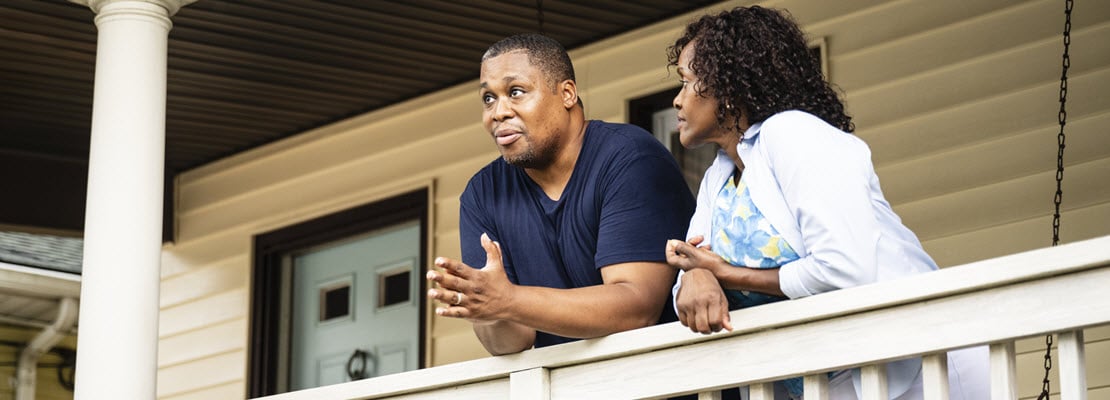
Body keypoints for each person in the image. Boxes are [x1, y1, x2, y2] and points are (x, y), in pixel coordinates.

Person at [663, 6, 988, 400]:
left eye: (687, 82)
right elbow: (691, 263)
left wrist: (726, 274)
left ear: (728, 88)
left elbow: (843, 269)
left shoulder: (791, 135)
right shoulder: (719, 175)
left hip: (918, 364)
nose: (678, 101)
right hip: (832, 380)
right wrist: (697, 276)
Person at [425, 33, 696, 355]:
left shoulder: (629, 158)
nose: (498, 113)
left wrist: (509, 300)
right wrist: (489, 307)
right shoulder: (482, 195)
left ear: (567, 93)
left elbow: (637, 307)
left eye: (515, 92)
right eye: (488, 99)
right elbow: (511, 342)